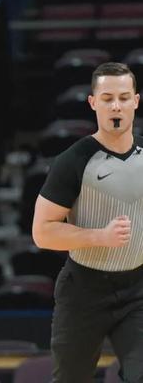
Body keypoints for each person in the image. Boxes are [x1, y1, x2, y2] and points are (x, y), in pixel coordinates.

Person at [32, 62, 143, 383]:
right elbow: (42, 232)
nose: (116, 106)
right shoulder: (72, 161)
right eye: (107, 98)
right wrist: (99, 237)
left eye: (123, 97)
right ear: (93, 103)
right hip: (83, 290)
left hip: (137, 290)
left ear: (136, 101)